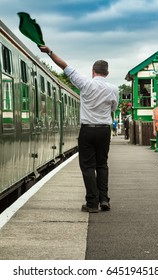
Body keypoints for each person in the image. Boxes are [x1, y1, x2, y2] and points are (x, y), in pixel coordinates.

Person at [39, 46, 119, 213]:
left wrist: (49, 52)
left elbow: (64, 66)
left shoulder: (85, 83)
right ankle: (104, 199)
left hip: (87, 130)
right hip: (104, 130)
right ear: (107, 73)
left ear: (93, 71)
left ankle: (92, 203)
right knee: (102, 165)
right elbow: (113, 108)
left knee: (88, 166)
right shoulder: (113, 89)